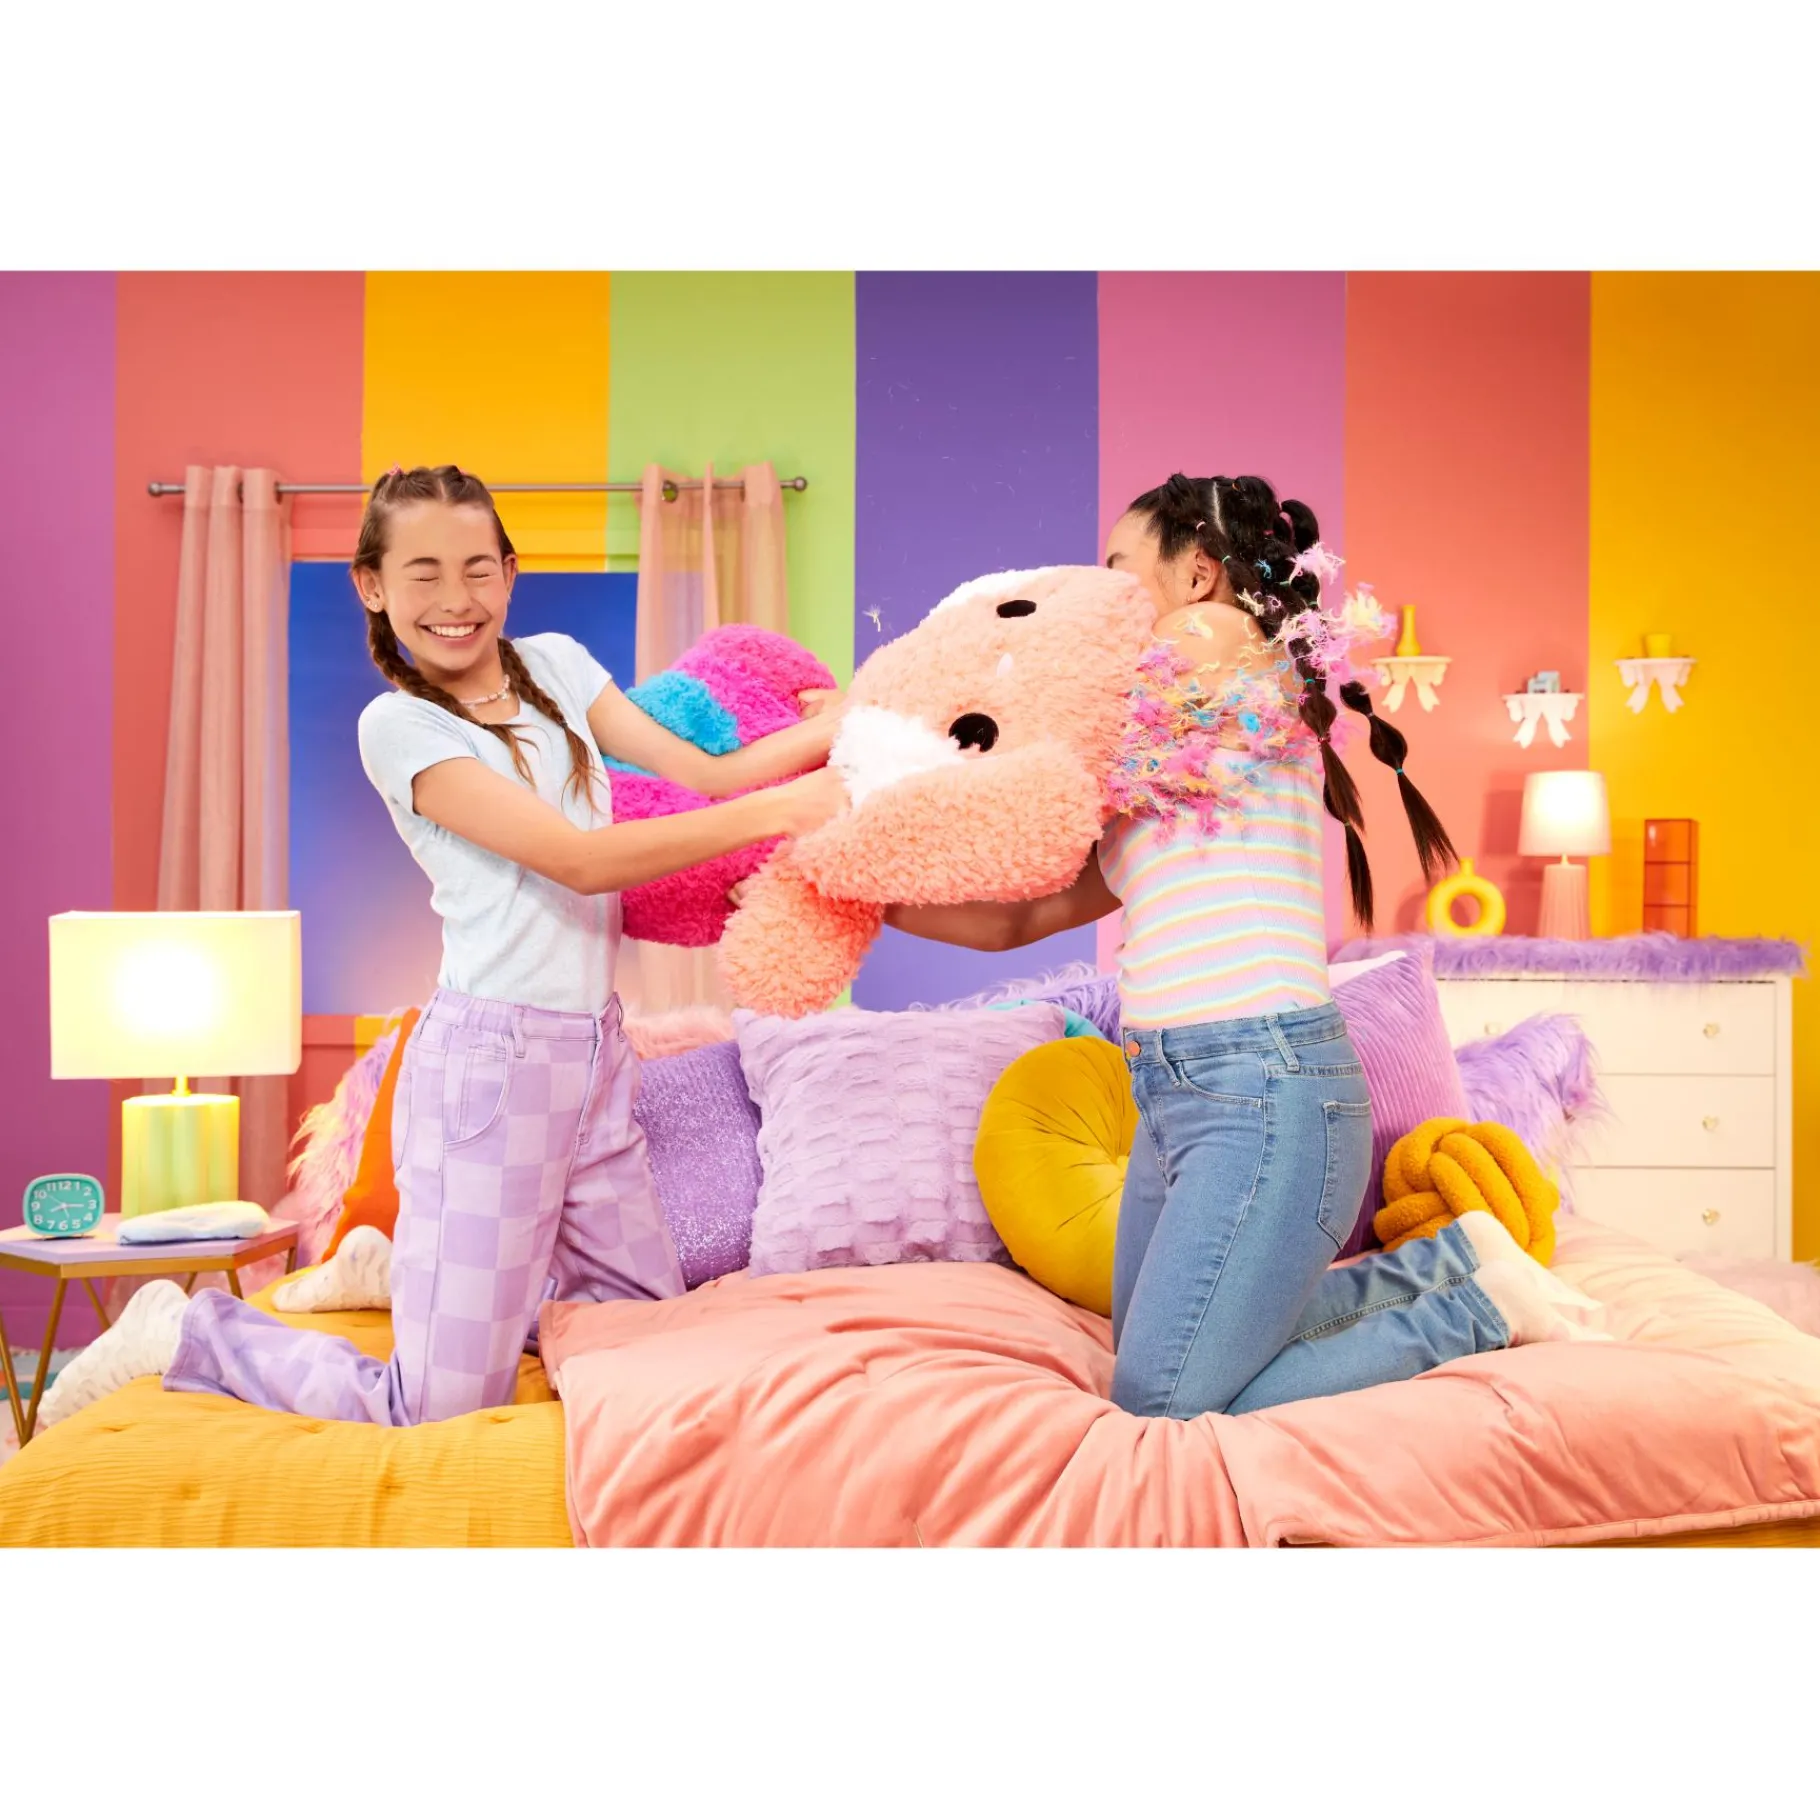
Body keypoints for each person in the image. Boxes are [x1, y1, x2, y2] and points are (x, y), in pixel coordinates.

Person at [38, 464, 847, 1430]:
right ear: (373, 586)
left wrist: (843, 728)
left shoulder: (557, 666)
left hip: (596, 1051)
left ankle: (419, 1280)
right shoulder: (401, 726)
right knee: (435, 1402)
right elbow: (579, 861)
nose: (455, 599)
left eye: (477, 569)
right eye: (422, 573)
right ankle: (194, 1333)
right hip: (492, 1070)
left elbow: (709, 774)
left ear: (509, 573)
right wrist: (780, 810)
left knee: (641, 1341)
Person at [887, 472, 1605, 1420]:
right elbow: (1015, 920)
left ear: (1196, 572)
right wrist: (865, 900)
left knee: (1163, 1398)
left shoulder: (1218, 642)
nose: (1102, 596)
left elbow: (1048, 715)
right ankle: (1457, 1262)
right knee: (1159, 1351)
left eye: (1118, 569)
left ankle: (1475, 1309)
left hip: (1266, 1087)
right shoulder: (1156, 774)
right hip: (1173, 1095)